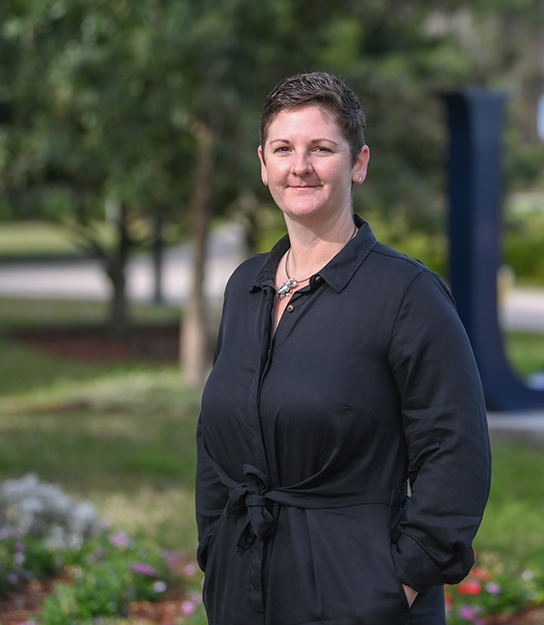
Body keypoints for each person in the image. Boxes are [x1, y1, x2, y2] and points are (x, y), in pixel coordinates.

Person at [194, 71, 492, 625]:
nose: (299, 166)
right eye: (283, 149)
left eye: (321, 149)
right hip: (244, 588)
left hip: (358, 594)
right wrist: (213, 547)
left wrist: (396, 583)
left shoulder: (407, 294)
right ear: (264, 164)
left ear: (358, 163)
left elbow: (456, 455)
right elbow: (217, 441)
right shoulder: (245, 287)